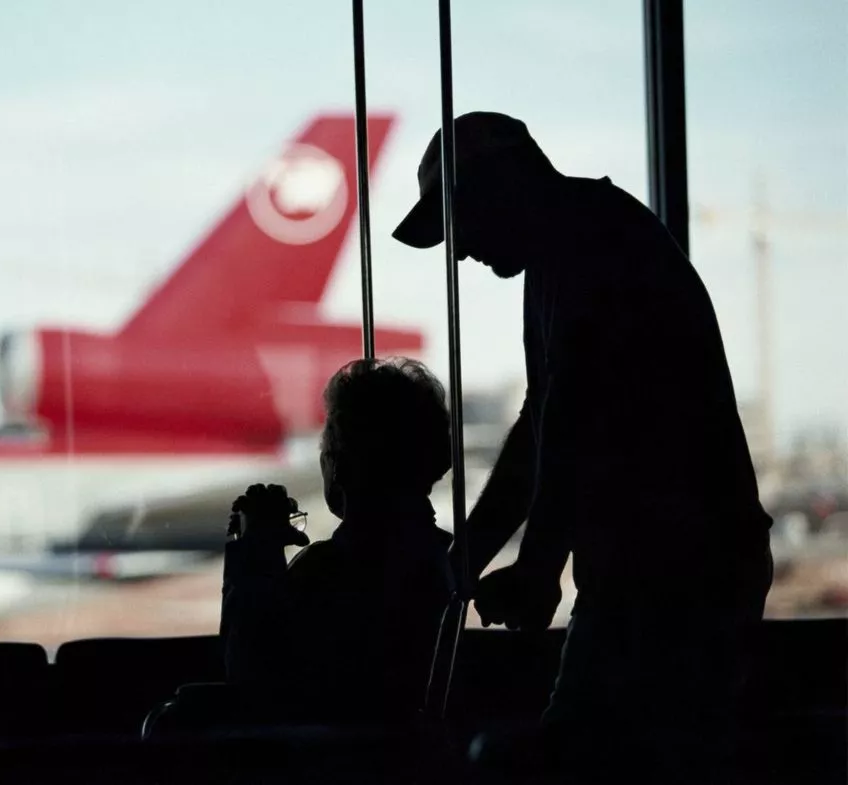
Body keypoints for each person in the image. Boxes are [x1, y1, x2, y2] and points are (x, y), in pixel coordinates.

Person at [393, 112, 774, 779]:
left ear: (497, 187)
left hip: (674, 574)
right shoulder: (572, 246)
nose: (457, 249)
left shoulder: (588, 248)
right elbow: (545, 423)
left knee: (585, 752)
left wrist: (534, 566)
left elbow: (570, 428)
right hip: (674, 566)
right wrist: (472, 554)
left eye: (457, 221)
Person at [220, 357, 455, 722]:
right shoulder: (442, 560)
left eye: (326, 450)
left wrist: (255, 554)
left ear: (339, 467)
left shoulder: (328, 572)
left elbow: (251, 677)